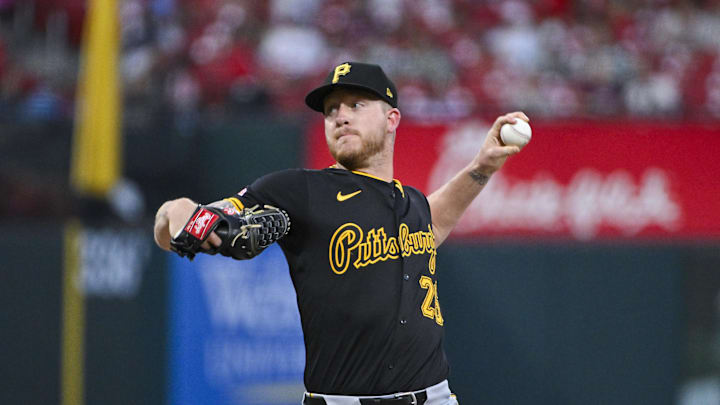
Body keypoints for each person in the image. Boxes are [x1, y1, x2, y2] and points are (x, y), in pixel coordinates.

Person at [154, 62, 528, 405]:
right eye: (331, 110)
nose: (340, 117)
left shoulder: (409, 200)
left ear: (391, 118)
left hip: (434, 397)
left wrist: (481, 167)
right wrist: (185, 214)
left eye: (355, 105)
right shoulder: (300, 190)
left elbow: (432, 224)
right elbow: (179, 220)